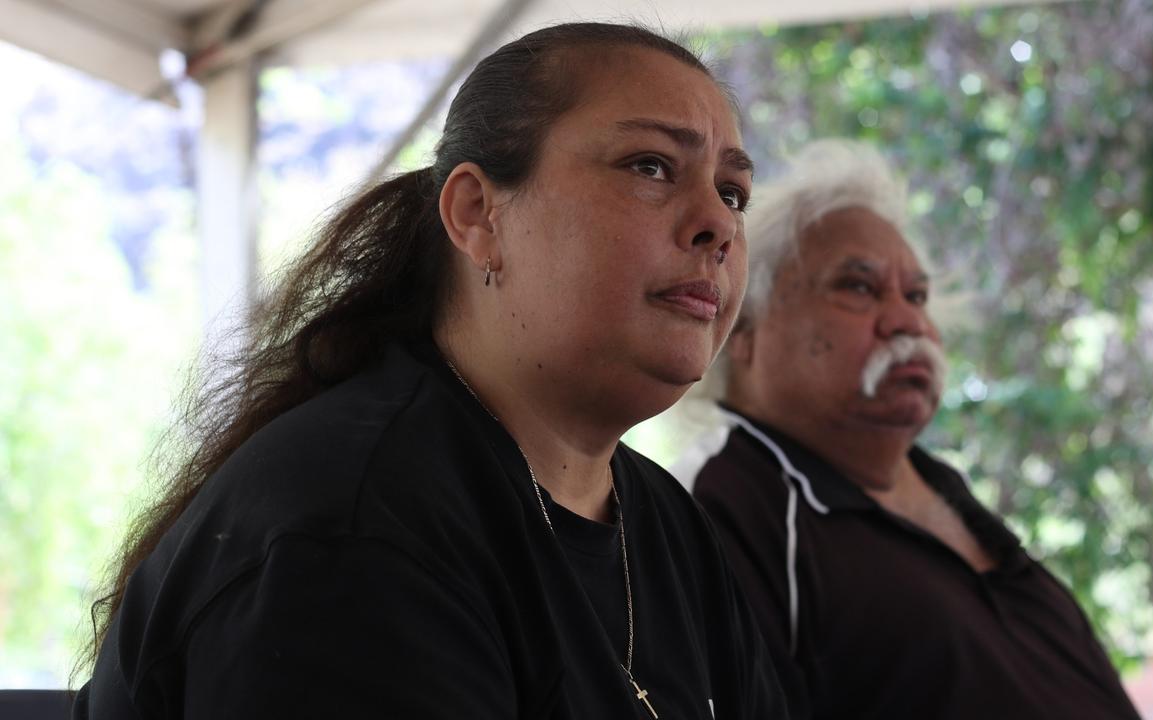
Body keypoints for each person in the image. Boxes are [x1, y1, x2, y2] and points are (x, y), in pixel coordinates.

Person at [74, 23, 787, 719]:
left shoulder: (667, 526)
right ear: (478, 214)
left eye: (732, 193)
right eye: (650, 166)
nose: (718, 225)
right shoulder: (350, 533)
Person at [687, 140, 1142, 720]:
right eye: (859, 286)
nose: (908, 321)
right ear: (745, 326)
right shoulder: (727, 503)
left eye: (917, 295)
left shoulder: (946, 489)